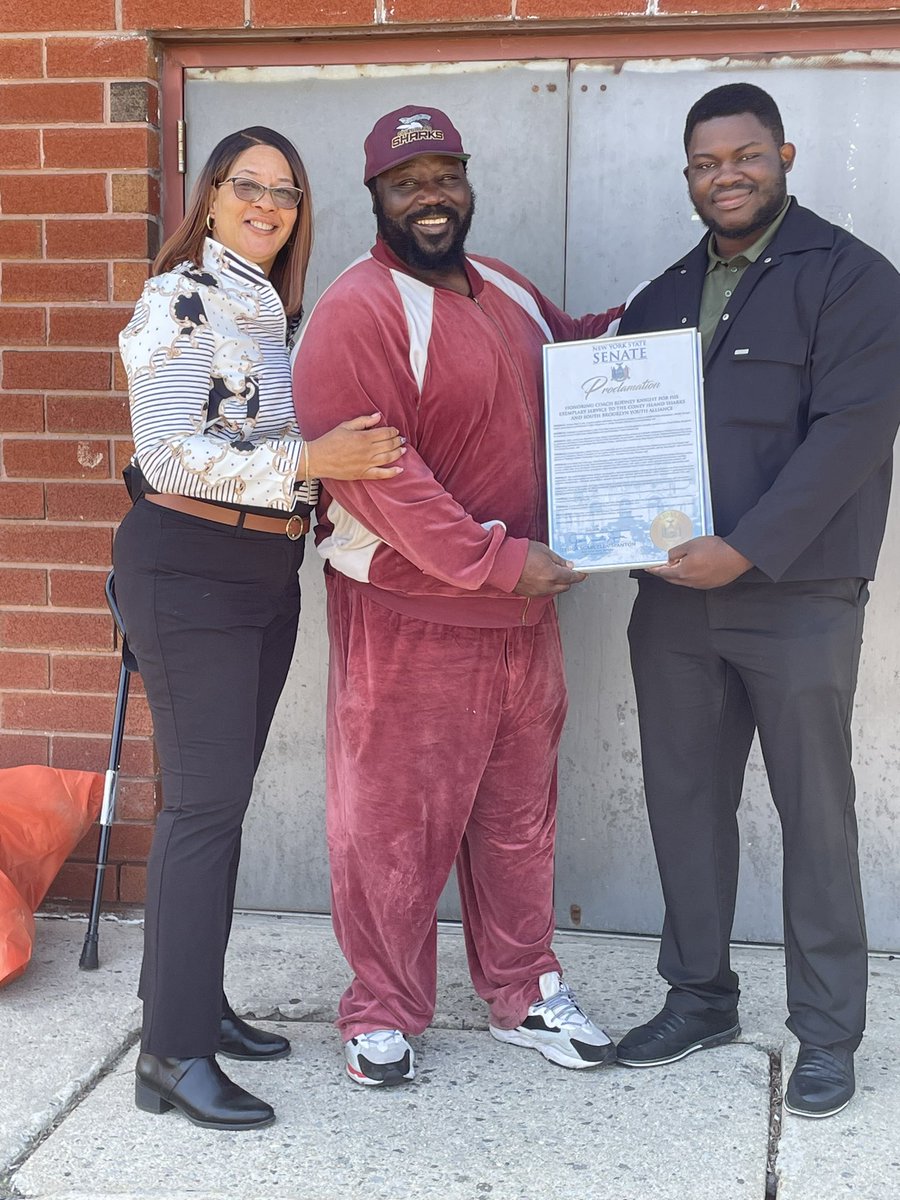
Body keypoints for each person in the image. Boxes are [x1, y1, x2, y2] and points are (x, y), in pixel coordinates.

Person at [293, 105, 622, 1087]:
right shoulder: (359, 310)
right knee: (393, 830)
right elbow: (380, 482)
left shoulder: (507, 289)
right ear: (376, 197)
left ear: (467, 182)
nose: (430, 195)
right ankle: (379, 1011)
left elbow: (578, 360)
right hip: (411, 623)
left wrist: (652, 334)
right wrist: (493, 560)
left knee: (520, 822)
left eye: (444, 175)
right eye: (408, 181)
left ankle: (524, 991)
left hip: (526, 619)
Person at [614, 83, 900, 1118]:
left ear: (783, 153)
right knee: (685, 804)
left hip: (801, 597)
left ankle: (826, 1032)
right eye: (704, 162)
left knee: (815, 816)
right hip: (673, 604)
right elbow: (619, 436)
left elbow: (853, 437)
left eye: (743, 156)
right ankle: (699, 998)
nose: (724, 175)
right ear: (687, 173)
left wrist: (749, 550)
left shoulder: (855, 279)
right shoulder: (658, 299)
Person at [114, 126, 405, 1130]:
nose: (269, 205)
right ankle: (172, 1058)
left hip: (258, 570)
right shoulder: (178, 298)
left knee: (219, 804)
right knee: (201, 810)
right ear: (211, 196)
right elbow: (167, 456)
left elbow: (268, 441)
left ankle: (186, 1001)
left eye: (286, 192)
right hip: (187, 565)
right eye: (250, 186)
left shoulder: (274, 311)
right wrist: (314, 459)